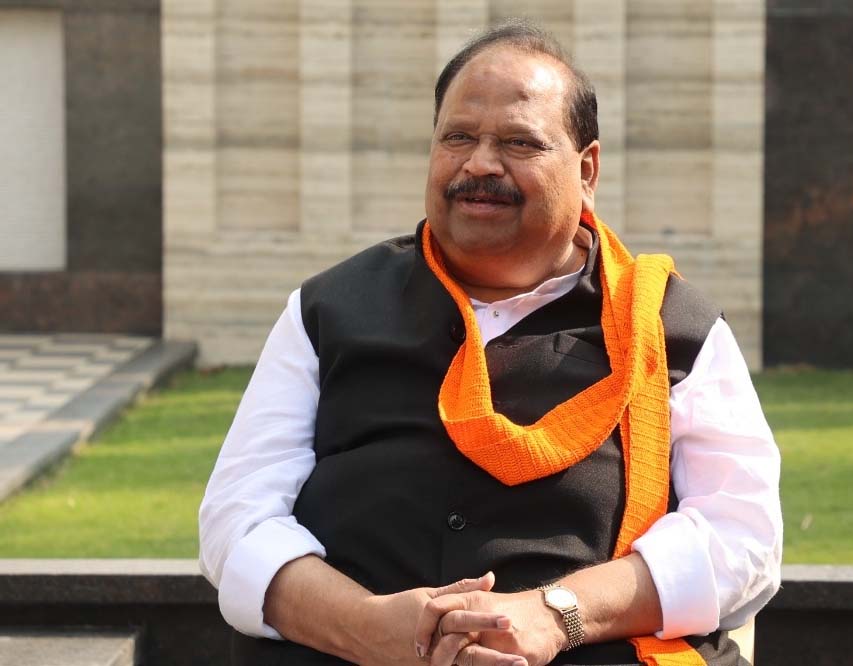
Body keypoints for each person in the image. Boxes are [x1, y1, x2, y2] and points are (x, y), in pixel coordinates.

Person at [199, 20, 782, 666]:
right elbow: (237, 521)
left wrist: (557, 615)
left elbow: (742, 539)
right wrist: (367, 628)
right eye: (458, 137)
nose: (479, 163)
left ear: (587, 169)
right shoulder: (326, 311)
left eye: (518, 142)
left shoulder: (673, 329)